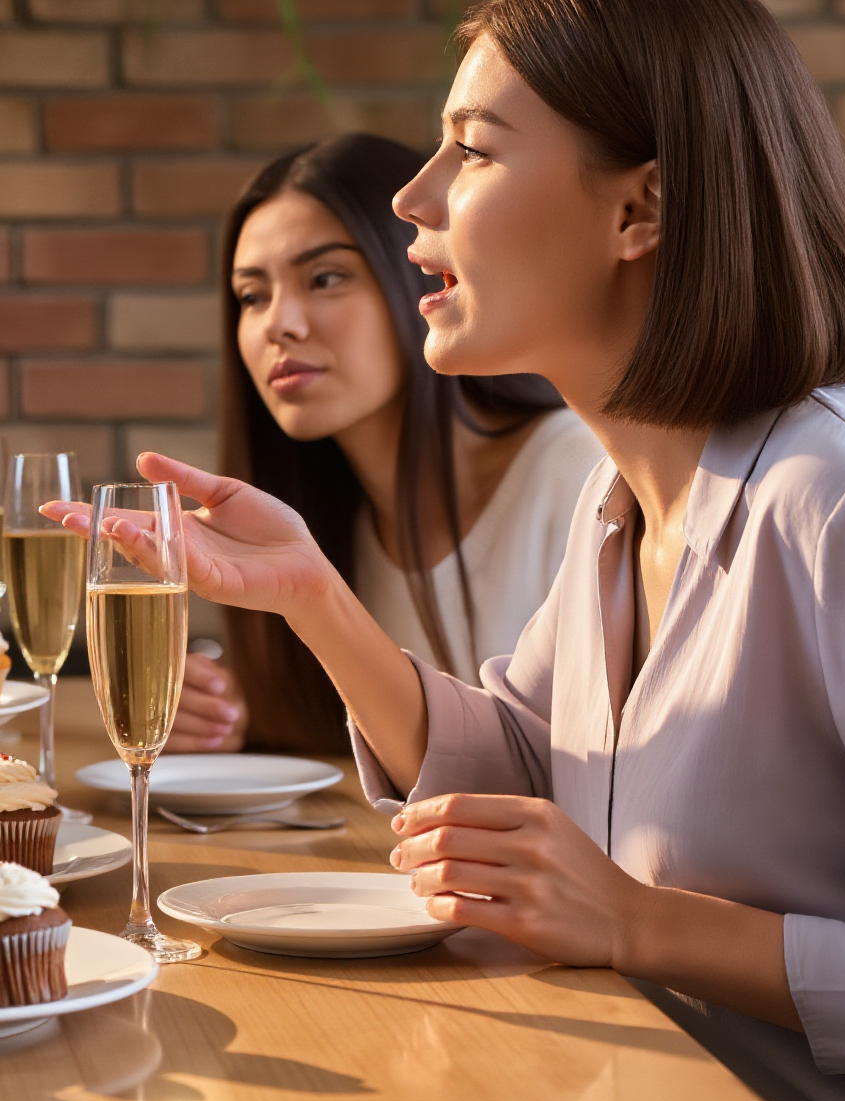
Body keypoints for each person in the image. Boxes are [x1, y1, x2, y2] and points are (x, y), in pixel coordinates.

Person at [58, 0, 845, 1101]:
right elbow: (525, 762)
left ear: (638, 210)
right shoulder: (623, 498)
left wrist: (642, 926)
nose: (413, 200)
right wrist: (310, 596)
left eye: (470, 152)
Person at [175, 133, 601, 755]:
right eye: (251, 295)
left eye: (325, 278)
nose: (279, 324)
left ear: (425, 279)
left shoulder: (578, 473)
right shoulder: (313, 522)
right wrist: (235, 714)